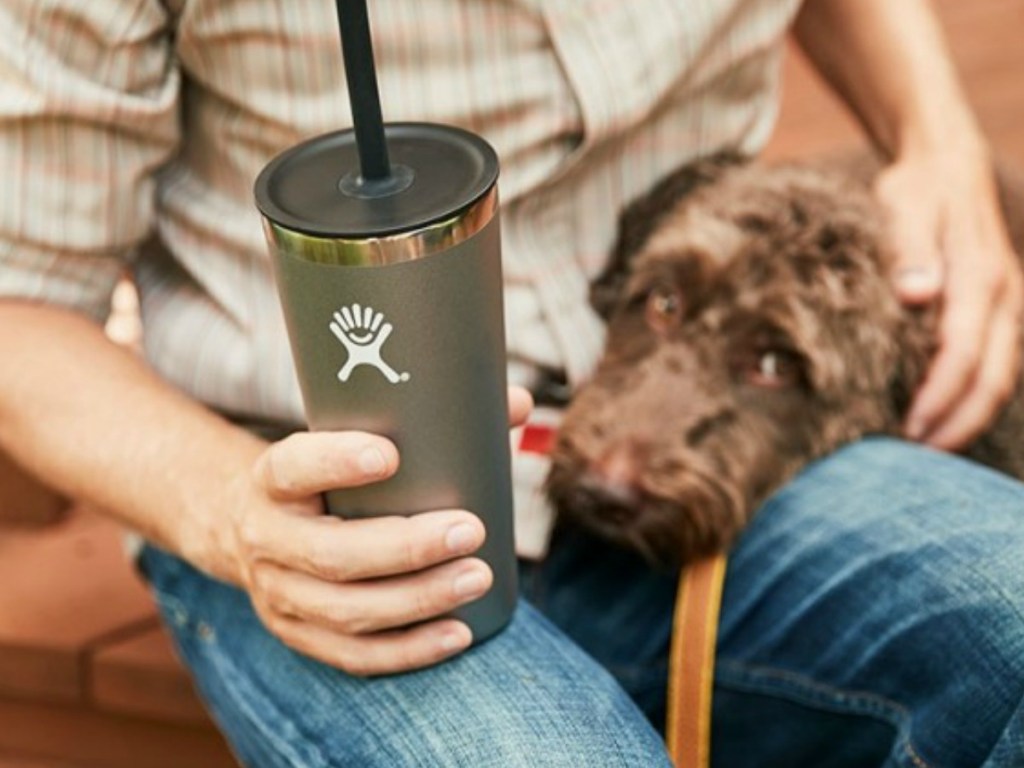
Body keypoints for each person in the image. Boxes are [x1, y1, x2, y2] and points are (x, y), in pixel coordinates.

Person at [1, 0, 1022, 764]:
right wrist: (233, 514)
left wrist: (935, 135)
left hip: (722, 426)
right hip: (313, 508)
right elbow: (18, 304)